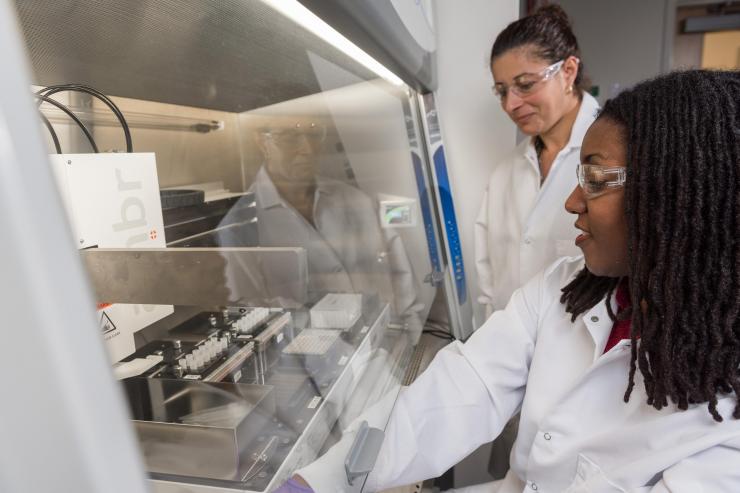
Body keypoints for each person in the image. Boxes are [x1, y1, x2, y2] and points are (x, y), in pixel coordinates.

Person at [278, 70, 740, 492]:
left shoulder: (726, 412)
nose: (572, 203)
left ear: (677, 197)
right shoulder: (566, 290)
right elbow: (464, 386)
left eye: (597, 180)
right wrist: (323, 481)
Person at [474, 4, 599, 478]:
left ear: (568, 71)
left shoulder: (616, 157)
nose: (511, 104)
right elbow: (488, 277)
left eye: (525, 84)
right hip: (509, 379)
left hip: (583, 387)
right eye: (502, 90)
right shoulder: (508, 171)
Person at [220, 116, 423, 330]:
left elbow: (401, 276)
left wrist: (412, 337)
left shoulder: (356, 199)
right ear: (262, 141)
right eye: (290, 137)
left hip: (387, 344)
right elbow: (252, 313)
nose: (308, 149)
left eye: (314, 134)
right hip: (310, 358)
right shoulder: (240, 226)